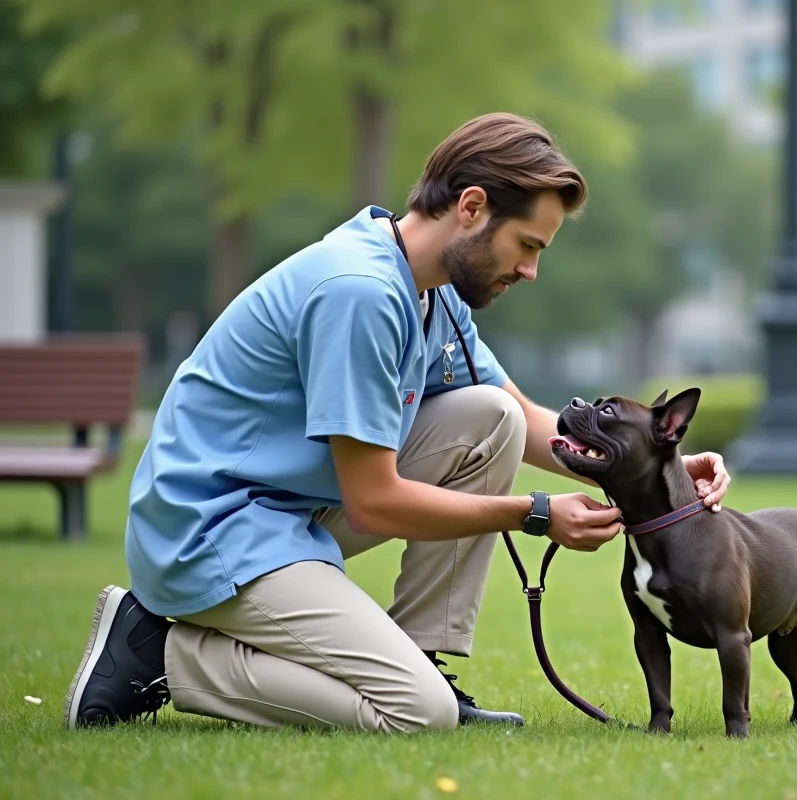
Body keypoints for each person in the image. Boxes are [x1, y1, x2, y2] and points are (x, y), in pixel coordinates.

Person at [63, 112, 730, 734]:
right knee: (414, 713)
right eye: (526, 245)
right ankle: (159, 653)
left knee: (489, 415)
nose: (530, 270)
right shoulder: (359, 293)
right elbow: (374, 500)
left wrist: (659, 466)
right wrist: (532, 511)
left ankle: (419, 655)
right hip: (209, 532)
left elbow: (521, 419)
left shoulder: (433, 285)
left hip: (283, 513)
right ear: (471, 207)